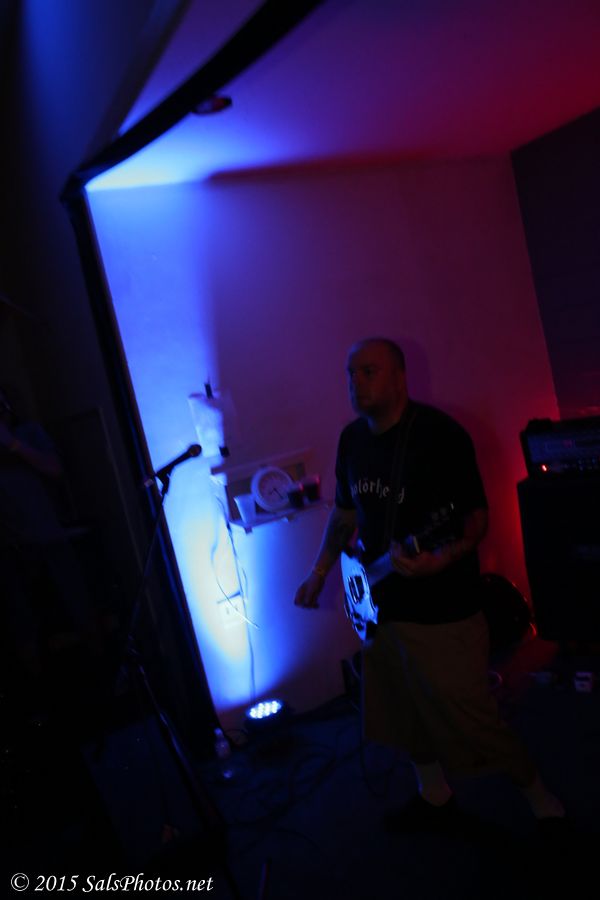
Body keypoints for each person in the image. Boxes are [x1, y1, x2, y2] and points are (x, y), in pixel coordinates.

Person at [294, 338, 565, 831]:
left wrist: (441, 559)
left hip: (442, 609)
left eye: (369, 371)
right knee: (403, 709)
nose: (356, 383)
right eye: (351, 373)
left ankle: (544, 803)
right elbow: (346, 512)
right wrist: (319, 571)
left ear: (399, 376)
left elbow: (474, 519)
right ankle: (433, 794)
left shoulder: (440, 436)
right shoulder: (352, 440)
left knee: (472, 717)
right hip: (381, 607)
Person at [0, 384, 100, 690]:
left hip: (49, 537)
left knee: (79, 605)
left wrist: (13, 445)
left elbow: (55, 469)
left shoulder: (28, 434)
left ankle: (102, 671)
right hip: (10, 549)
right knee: (21, 622)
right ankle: (38, 689)